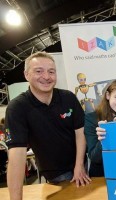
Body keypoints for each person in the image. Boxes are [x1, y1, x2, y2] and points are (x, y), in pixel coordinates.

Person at [5, 52, 91, 200]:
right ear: (26, 74)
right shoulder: (17, 108)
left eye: (51, 71)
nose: (46, 76)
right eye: (39, 71)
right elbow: (16, 158)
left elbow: (80, 132)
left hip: (83, 165)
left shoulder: (68, 97)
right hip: (54, 174)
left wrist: (79, 165)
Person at [84, 79, 116, 177]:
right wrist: (105, 137)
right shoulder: (91, 118)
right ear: (107, 95)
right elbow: (94, 158)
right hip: (102, 176)